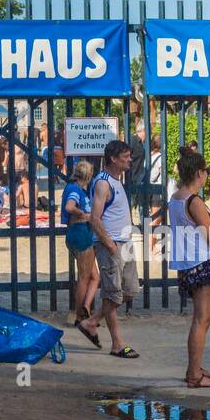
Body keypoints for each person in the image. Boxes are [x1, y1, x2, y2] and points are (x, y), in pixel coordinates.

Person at [169, 145, 210, 388]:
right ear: (198, 173)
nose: (207, 174)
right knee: (202, 319)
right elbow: (209, 237)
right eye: (205, 171)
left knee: (203, 318)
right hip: (202, 262)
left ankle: (195, 368)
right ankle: (194, 374)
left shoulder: (175, 198)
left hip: (189, 263)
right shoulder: (194, 201)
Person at [80, 139, 140, 358]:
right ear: (113, 159)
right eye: (125, 156)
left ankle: (92, 321)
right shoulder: (103, 182)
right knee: (112, 293)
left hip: (124, 243)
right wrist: (109, 244)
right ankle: (117, 344)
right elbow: (95, 218)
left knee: (130, 290)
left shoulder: (116, 180)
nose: (129, 160)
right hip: (112, 244)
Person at [62, 160, 101, 344]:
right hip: (79, 232)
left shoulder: (78, 189)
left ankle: (85, 307)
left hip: (80, 232)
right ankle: (79, 316)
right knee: (85, 276)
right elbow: (69, 207)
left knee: (94, 276)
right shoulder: (75, 189)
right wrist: (83, 215)